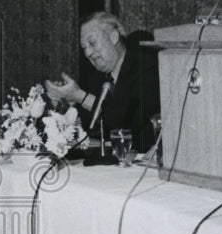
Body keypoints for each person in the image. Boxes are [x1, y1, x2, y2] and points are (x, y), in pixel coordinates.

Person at [45, 12, 161, 152]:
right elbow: (91, 127)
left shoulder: (145, 64)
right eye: (84, 47)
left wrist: (80, 96)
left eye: (92, 43)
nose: (88, 53)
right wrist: (65, 103)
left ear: (113, 37)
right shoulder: (98, 76)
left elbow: (127, 123)